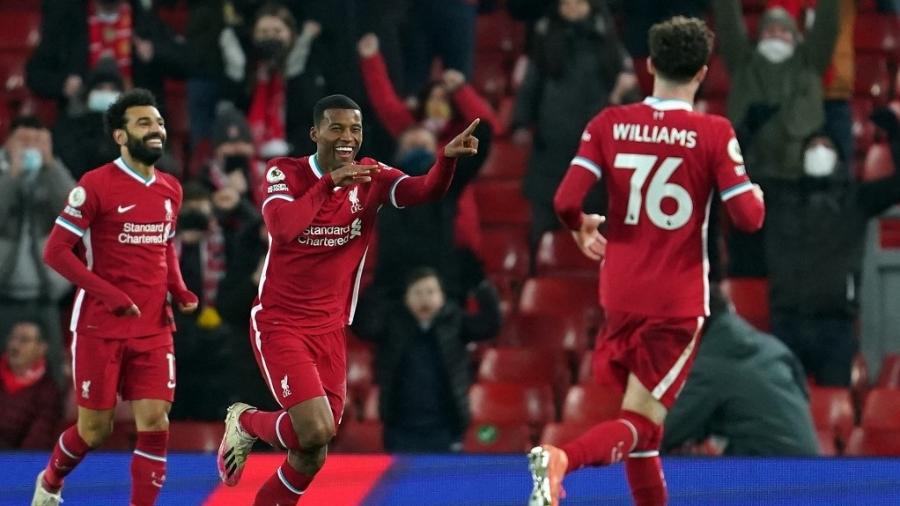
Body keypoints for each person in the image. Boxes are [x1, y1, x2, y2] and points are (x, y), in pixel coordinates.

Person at [529, 17, 766, 506]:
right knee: (640, 421)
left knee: (646, 430)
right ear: (702, 73)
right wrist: (756, 193)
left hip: (620, 293)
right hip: (675, 301)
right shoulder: (713, 132)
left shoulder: (608, 124)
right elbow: (747, 218)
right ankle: (561, 460)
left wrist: (580, 225)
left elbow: (564, 200)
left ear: (650, 65)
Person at [215, 94, 480, 505]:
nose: (347, 137)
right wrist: (329, 184)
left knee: (311, 453)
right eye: (336, 127)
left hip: (331, 326)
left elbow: (422, 190)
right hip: (280, 322)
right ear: (314, 132)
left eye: (355, 129)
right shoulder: (284, 172)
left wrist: (445, 160)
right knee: (315, 429)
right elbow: (283, 229)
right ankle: (246, 421)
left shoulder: (370, 175)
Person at [31, 89, 199, 506]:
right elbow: (55, 252)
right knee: (95, 430)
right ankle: (50, 481)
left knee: (155, 420)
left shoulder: (171, 189)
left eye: (159, 122)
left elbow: (165, 246)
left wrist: (178, 289)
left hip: (154, 326)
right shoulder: (94, 185)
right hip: (100, 326)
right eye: (144, 123)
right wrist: (111, 295)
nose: (157, 129)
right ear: (121, 136)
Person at [766, 125, 900, 387]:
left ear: (838, 158)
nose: (819, 152)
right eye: (813, 147)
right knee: (783, 410)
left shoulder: (856, 198)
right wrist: (748, 131)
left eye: (826, 147)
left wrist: (895, 136)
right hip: (787, 324)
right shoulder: (781, 197)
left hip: (835, 327)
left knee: (836, 407)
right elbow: (732, 178)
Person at [509, 0, 639, 248]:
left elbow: (630, 94)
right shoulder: (545, 37)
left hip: (597, 152)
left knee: (597, 228)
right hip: (552, 148)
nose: (571, 6)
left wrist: (624, 92)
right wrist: (520, 123)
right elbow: (531, 85)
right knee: (545, 224)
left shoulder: (608, 41)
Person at [661, 284, 819, 456]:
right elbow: (803, 394)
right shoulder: (773, 347)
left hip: (766, 473)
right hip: (812, 469)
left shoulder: (711, 362)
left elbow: (663, 434)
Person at [353, 268, 501, 452]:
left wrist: (481, 287)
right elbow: (364, 327)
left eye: (431, 292)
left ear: (442, 297)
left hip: (446, 427)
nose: (424, 299)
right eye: (418, 293)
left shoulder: (454, 320)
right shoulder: (392, 323)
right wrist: (376, 290)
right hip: (400, 428)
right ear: (406, 298)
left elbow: (490, 325)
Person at [0, 116, 75, 386]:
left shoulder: (53, 172)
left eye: (36, 140)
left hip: (45, 295)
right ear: (8, 141)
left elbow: (74, 209)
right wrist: (12, 176)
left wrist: (51, 165)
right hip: (3, 294)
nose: (29, 146)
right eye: (23, 140)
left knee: (52, 379)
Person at [26, 0, 187, 115]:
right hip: (82, 118)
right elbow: (35, 75)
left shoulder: (143, 20)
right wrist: (63, 84)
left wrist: (155, 53)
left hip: (136, 118)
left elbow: (185, 62)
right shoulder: (66, 19)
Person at [0, 320, 63, 449]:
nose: (14, 345)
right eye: (12, 338)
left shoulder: (48, 392)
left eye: (24, 340)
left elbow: (36, 444)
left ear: (42, 348)